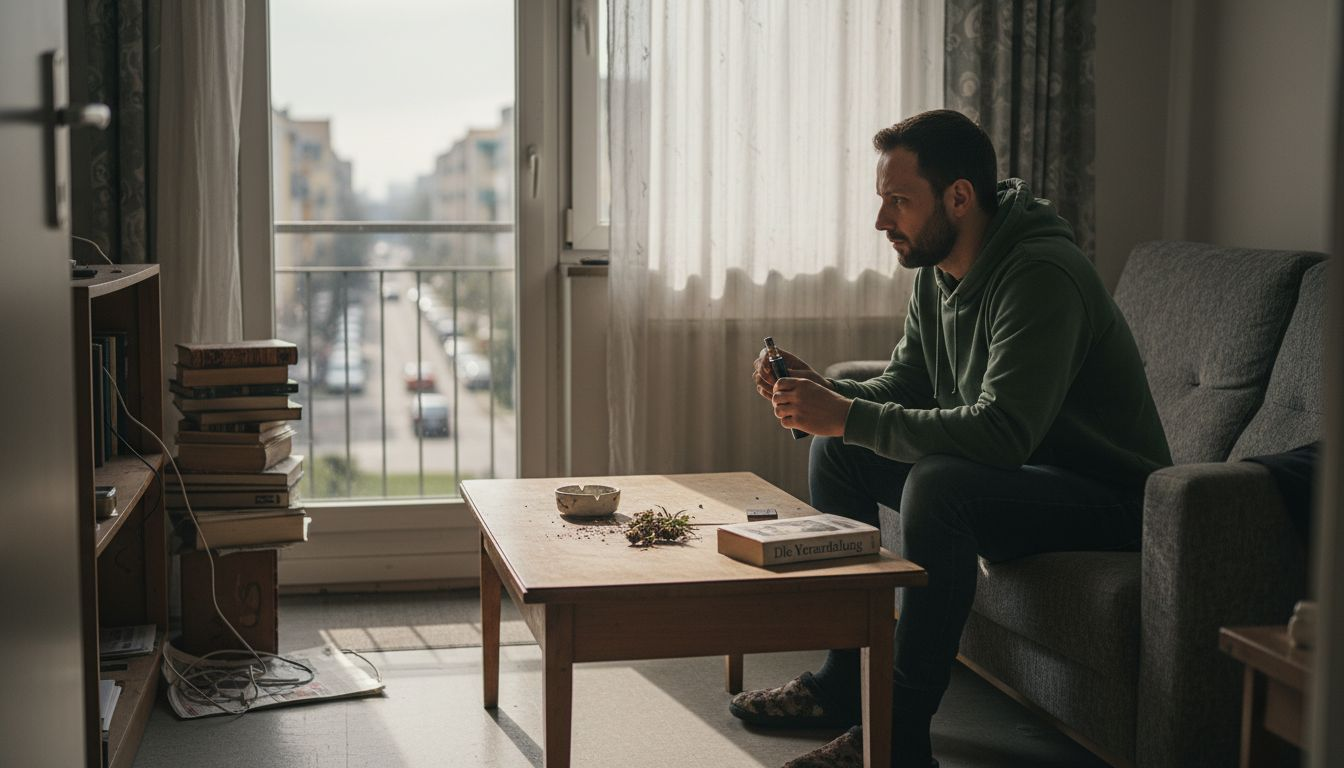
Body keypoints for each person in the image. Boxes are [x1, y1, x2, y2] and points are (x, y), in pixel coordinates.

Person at [741, 109, 1172, 768]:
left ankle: (898, 737)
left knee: (941, 486)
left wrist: (847, 414)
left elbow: (1002, 434)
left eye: (898, 202)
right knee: (839, 448)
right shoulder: (936, 275)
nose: (882, 221)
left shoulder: (1041, 276)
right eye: (882, 201)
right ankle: (842, 684)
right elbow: (905, 388)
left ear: (959, 197)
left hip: (1108, 500)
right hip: (1022, 481)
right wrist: (824, 396)